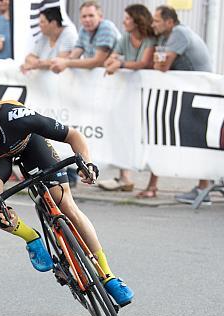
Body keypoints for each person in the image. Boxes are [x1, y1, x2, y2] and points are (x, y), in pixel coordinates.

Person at [0, 86, 134, 308]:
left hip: (28, 145)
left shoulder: (15, 117)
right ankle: (31, 237)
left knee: (64, 203)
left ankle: (108, 276)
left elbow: (73, 135)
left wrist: (87, 164)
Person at [151, 5, 214, 205]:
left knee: (199, 137)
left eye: (157, 20)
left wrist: (158, 62)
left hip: (200, 92)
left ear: (169, 22)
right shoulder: (168, 36)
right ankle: (201, 188)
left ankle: (204, 189)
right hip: (192, 91)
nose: (153, 24)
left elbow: (162, 66)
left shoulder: (178, 33)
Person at [99, 4, 156, 194]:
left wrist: (120, 63)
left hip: (148, 94)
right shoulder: (125, 38)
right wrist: (113, 61)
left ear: (138, 19)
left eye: (128, 18)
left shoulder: (150, 39)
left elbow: (145, 63)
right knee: (124, 130)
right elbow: (111, 58)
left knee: (150, 136)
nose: (124, 21)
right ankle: (125, 177)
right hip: (129, 95)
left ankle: (152, 184)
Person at [49, 1, 120, 74]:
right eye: (84, 16)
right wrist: (60, 62)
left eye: (91, 15)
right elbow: (74, 55)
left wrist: (66, 63)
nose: (87, 20)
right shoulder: (83, 30)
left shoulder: (106, 28)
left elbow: (97, 61)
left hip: (121, 75)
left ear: (100, 17)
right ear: (80, 19)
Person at [20, 6, 78, 73]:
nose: (39, 25)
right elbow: (29, 57)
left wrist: (36, 64)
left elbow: (61, 61)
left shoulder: (68, 34)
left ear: (53, 23)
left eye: (42, 22)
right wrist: (37, 63)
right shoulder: (45, 36)